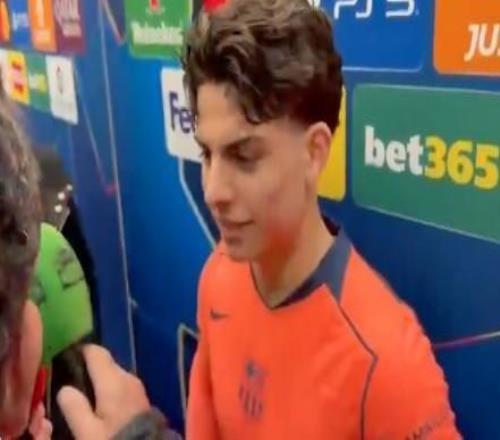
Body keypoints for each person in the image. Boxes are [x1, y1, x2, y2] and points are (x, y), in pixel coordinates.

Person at [60, 0, 462, 439]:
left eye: (244, 156)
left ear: (314, 152)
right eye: (207, 153)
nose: (213, 191)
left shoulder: (387, 366)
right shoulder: (218, 275)